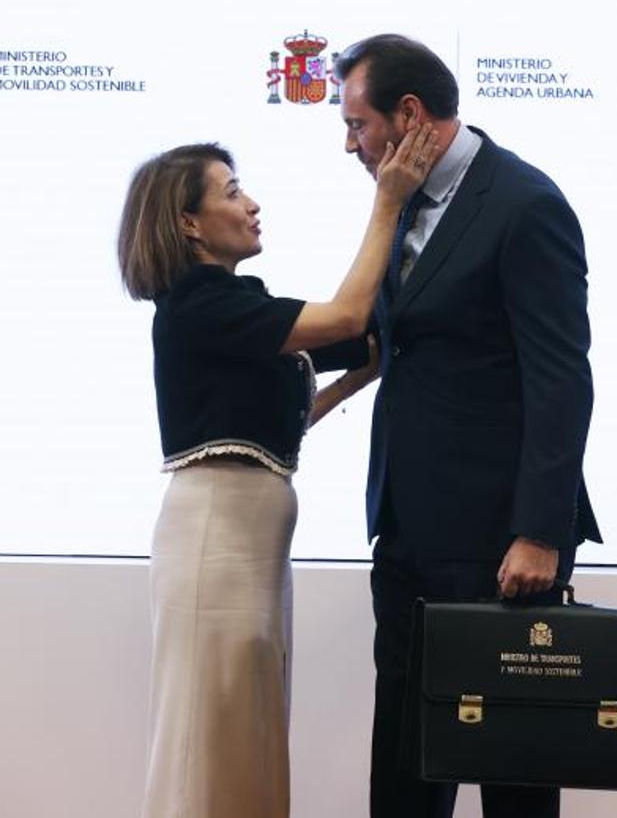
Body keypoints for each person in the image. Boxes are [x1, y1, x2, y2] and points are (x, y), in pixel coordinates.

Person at [117, 129, 436, 818]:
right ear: (188, 223)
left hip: (248, 552)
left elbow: (290, 413)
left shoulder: (231, 308)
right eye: (233, 192)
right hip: (216, 547)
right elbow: (348, 315)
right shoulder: (200, 302)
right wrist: (388, 203)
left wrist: (361, 372)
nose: (252, 204)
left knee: (245, 733)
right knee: (210, 738)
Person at [332, 33, 600, 818]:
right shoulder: (400, 197)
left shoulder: (525, 202)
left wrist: (540, 530)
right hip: (408, 533)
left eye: (357, 126)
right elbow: (385, 332)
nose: (351, 145)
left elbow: (561, 376)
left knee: (511, 768)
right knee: (405, 765)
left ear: (409, 114)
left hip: (499, 539)